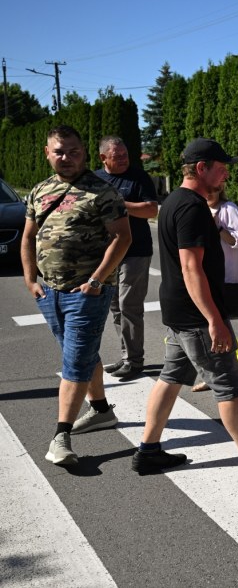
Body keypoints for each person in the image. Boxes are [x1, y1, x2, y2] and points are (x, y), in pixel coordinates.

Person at [132, 138, 238, 480]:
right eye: (221, 168)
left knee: (171, 377)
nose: (226, 175)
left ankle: (148, 451)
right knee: (228, 384)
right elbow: (191, 268)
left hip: (179, 311)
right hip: (196, 315)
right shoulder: (191, 208)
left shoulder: (172, 201)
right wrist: (214, 320)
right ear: (201, 168)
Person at [22, 125, 131, 465]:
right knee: (82, 355)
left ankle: (60, 436)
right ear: (47, 153)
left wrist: (96, 281)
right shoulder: (40, 190)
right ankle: (101, 410)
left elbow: (122, 237)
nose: (66, 158)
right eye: (59, 152)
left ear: (84, 153)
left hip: (87, 293)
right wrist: (30, 280)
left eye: (73, 152)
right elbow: (28, 236)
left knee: (74, 362)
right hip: (49, 291)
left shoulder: (103, 192)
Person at [94, 135, 159, 380]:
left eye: (125, 155)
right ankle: (126, 356)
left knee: (128, 305)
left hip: (136, 251)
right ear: (103, 158)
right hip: (107, 253)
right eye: (117, 156)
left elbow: (151, 210)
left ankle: (135, 361)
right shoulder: (94, 179)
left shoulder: (139, 177)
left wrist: (120, 204)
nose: (123, 159)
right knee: (115, 307)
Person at [192, 187, 238, 391]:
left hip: (225, 278)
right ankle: (234, 363)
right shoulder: (197, 208)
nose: (209, 193)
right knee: (211, 326)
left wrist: (217, 228)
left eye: (214, 189)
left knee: (213, 325)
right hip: (203, 275)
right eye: (206, 189)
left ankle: (222, 371)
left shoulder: (229, 209)